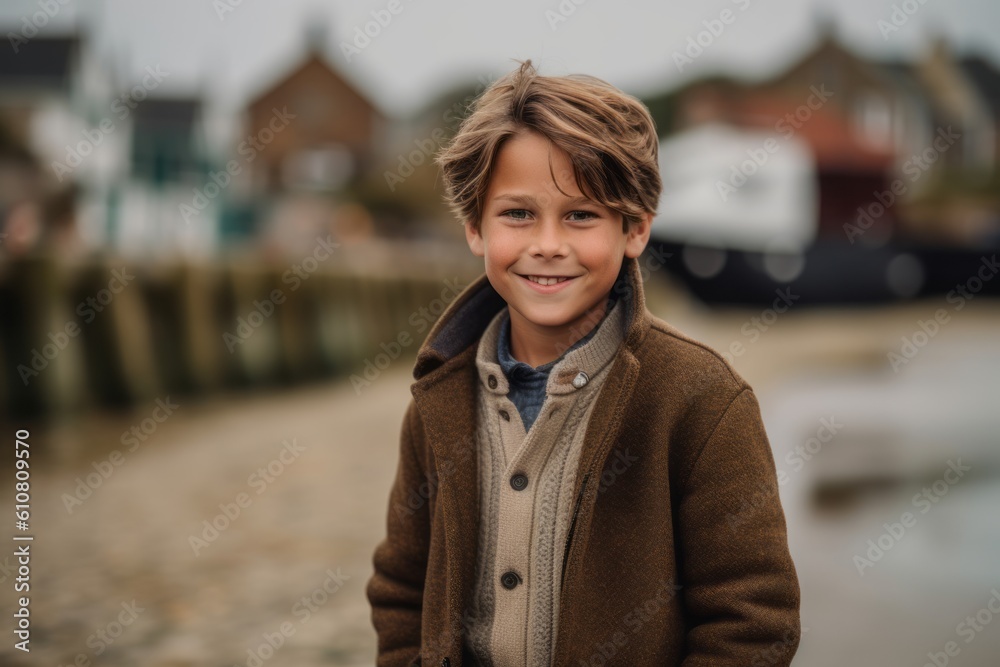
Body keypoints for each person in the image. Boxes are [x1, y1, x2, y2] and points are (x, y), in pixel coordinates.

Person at [366, 59, 800, 667]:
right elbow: (401, 587)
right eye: (518, 214)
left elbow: (753, 620)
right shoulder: (440, 395)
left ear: (635, 229)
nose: (548, 244)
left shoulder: (702, 400)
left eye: (581, 215)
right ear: (475, 227)